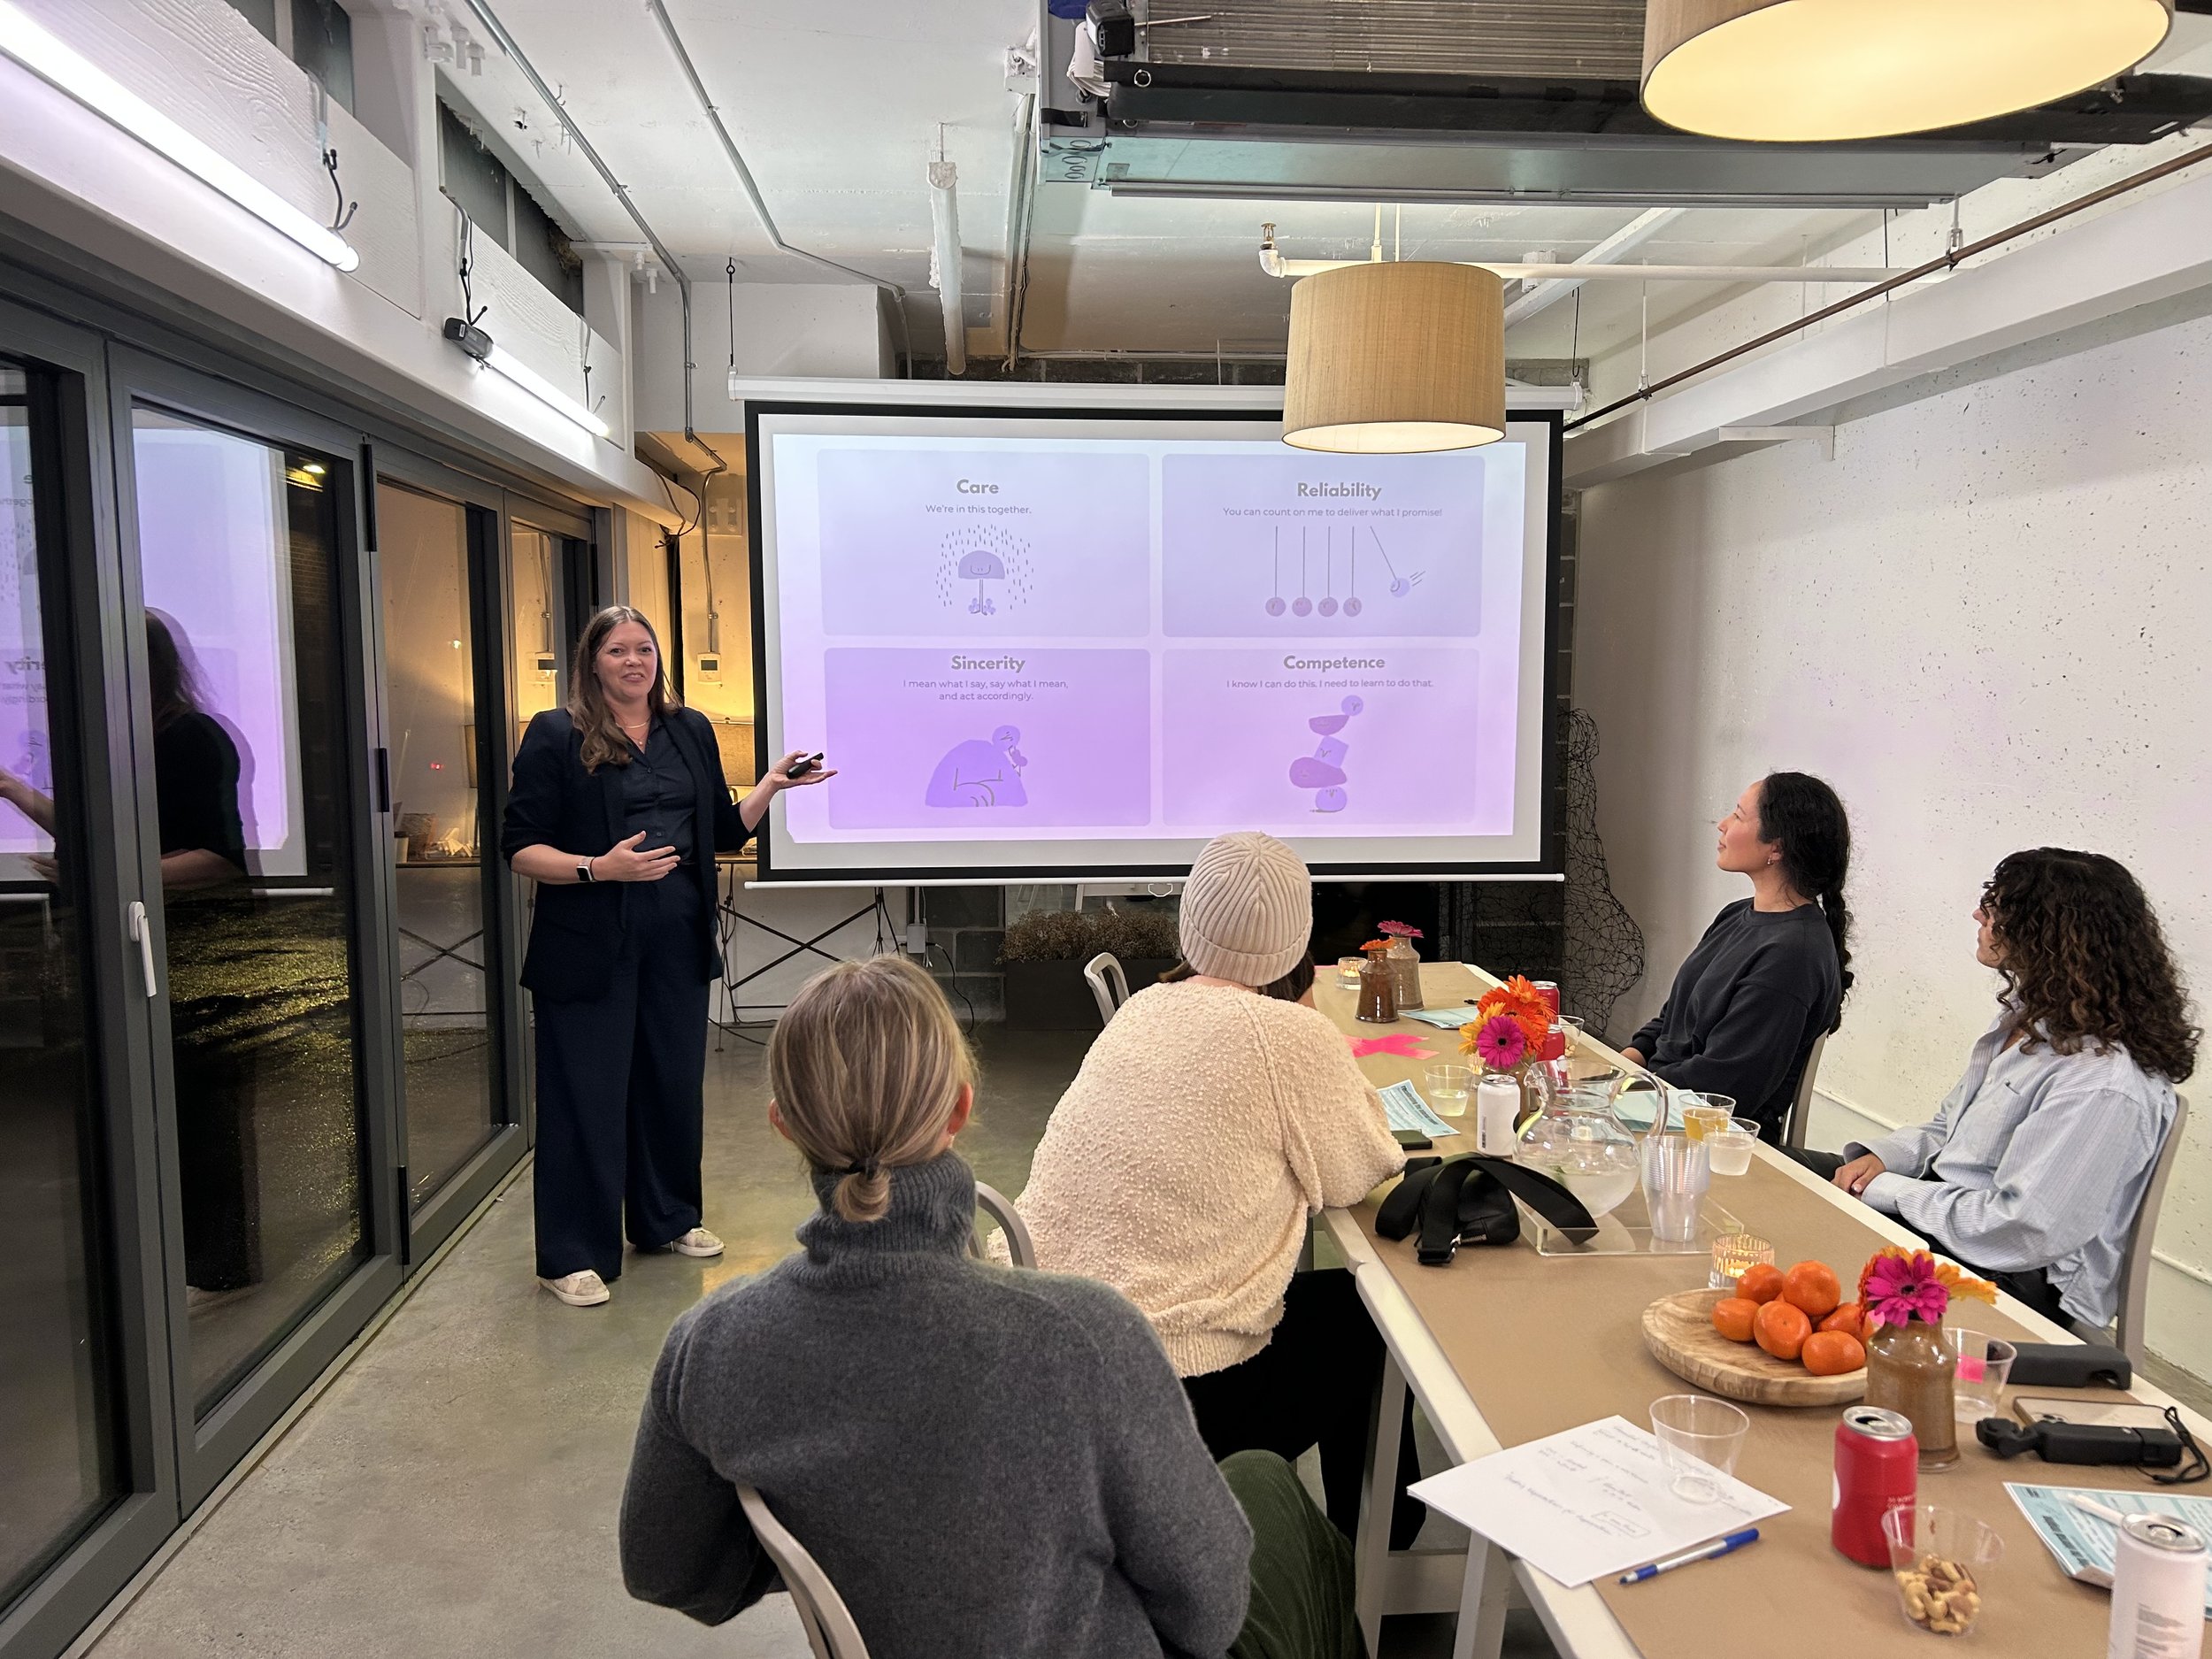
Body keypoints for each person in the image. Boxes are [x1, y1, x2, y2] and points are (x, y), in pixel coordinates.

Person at [619, 955, 1358, 1659]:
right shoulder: (1085, 1334)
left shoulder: (711, 1345)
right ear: (960, 1109)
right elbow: (1210, 1610)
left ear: (785, 1124)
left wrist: (847, 1537)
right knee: (1269, 1488)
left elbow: (664, 1569)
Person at [1012, 831, 1419, 1544]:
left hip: (1048, 1370)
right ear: (1300, 945)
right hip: (1174, 1400)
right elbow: (1365, 1164)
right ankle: (1380, 1547)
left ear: (1189, 924)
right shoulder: (1288, 1035)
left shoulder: (1143, 1009)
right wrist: (1310, 1023)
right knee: (1370, 1318)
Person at [501, 605, 832, 1308]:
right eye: (617, 650)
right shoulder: (555, 735)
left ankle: (667, 1217)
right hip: (588, 945)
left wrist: (769, 787)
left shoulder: (690, 729)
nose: (633, 661)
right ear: (592, 661)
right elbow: (520, 847)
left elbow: (717, 827)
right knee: (584, 1098)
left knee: (670, 1084)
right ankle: (571, 1253)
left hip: (676, 938)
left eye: (643, 648)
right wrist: (599, 867)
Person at [1799, 849, 2198, 1330]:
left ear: (2045, 933)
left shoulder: (2102, 1081)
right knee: (1779, 1172)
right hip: (1952, 1211)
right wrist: (1885, 1159)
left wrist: (1889, 1192)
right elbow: (1951, 1128)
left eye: (1995, 908)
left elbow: (2024, 1229)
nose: (1978, 915)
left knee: (1803, 1246)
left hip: (2014, 1275)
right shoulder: (2028, 1019)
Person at [4, 613, 259, 1294]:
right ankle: (162, 1264)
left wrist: (113, 875)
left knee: (200, 1115)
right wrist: (13, 789)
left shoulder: (195, 738)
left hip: (200, 952)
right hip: (130, 947)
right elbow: (93, 834)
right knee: (141, 1111)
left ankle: (216, 1269)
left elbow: (219, 859)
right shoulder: (116, 744)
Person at [1620, 772, 1851, 1141]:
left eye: (1739, 816)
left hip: (1701, 1135)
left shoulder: (1793, 955)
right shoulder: (1737, 913)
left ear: (1777, 847)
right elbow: (1672, 1020)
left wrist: (1621, 1095)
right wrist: (1624, 1063)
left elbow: (1724, 1087)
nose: (1723, 825)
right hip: (1659, 1103)